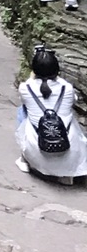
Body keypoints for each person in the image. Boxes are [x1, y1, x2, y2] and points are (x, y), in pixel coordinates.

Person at [16, 45, 87, 180]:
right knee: (66, 115)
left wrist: (35, 74)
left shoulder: (25, 88)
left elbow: (26, 97)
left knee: (23, 110)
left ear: (34, 69)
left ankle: (24, 160)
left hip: (38, 154)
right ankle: (67, 175)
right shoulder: (66, 88)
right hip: (70, 155)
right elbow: (73, 100)